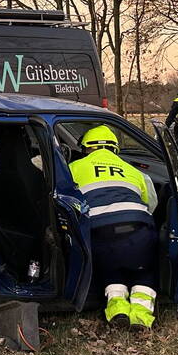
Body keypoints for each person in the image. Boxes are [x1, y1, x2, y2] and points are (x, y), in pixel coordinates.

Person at [69, 125, 159, 329]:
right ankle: (141, 317)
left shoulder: (74, 167)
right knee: (144, 269)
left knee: (110, 267)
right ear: (115, 148)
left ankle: (117, 311)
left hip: (99, 231)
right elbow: (151, 203)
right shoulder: (132, 170)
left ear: (86, 148)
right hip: (138, 229)